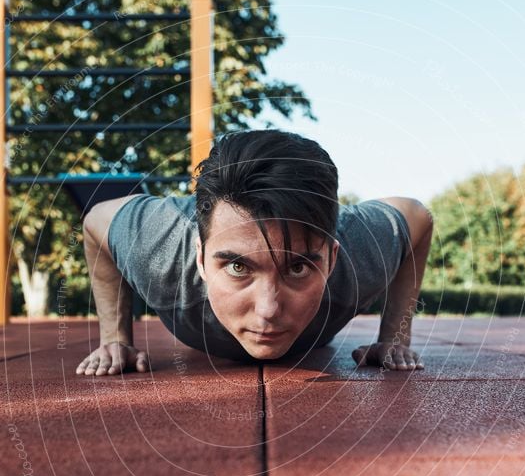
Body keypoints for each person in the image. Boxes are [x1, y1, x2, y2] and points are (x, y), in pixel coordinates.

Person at [76, 129, 433, 376]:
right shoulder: (160, 247)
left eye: (297, 268)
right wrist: (115, 339)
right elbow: (95, 221)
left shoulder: (361, 251)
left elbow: (418, 217)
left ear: (333, 259)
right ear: (200, 259)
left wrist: (394, 337)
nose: (268, 310)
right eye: (236, 267)